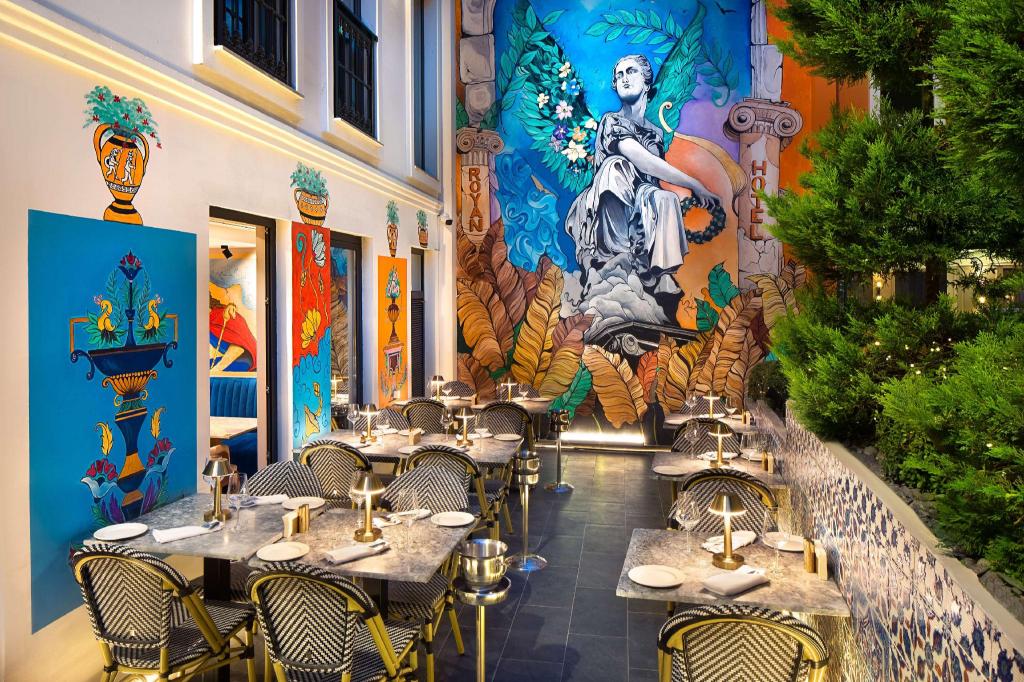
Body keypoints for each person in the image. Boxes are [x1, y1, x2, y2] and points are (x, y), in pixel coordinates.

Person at [565, 54, 720, 295]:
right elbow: (643, 162)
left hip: (639, 204)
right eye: (619, 75)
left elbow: (652, 179)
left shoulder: (655, 133)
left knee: (665, 197)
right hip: (606, 205)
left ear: (647, 83)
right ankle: (617, 255)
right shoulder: (612, 121)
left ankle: (662, 273)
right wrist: (694, 184)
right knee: (615, 166)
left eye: (631, 72)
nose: (624, 78)